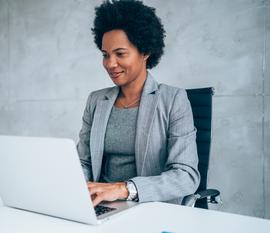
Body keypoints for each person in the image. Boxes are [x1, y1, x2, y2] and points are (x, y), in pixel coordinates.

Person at [77, 0, 200, 207]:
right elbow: (84, 161)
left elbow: (185, 175)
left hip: (149, 207)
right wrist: (78, 188)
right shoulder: (97, 100)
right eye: (105, 55)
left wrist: (124, 189)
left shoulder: (173, 100)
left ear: (145, 52)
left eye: (120, 54)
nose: (110, 64)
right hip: (101, 206)